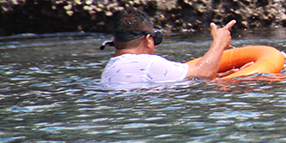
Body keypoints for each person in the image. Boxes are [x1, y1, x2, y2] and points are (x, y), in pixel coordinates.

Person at [101, 9, 236, 89]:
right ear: (148, 39)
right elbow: (204, 73)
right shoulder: (148, 63)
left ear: (115, 41)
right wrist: (220, 41)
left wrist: (216, 77)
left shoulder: (110, 68)